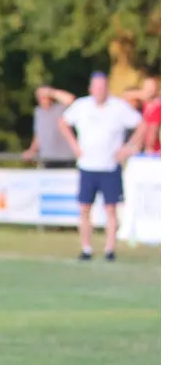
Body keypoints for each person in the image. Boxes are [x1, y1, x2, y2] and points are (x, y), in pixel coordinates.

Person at [58, 72, 143, 261]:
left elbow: (141, 124)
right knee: (85, 208)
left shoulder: (118, 107)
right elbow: (63, 123)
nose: (100, 91)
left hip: (110, 167)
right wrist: (74, 145)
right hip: (87, 166)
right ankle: (86, 248)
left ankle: (110, 249)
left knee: (111, 209)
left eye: (103, 87)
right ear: (91, 89)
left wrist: (129, 147)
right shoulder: (81, 106)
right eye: (96, 87)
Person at [22, 85, 78, 168]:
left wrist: (51, 92)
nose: (42, 99)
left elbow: (71, 100)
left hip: (65, 158)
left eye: (44, 96)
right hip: (46, 159)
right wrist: (32, 150)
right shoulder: (38, 112)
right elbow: (38, 135)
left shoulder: (60, 109)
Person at [138, 76, 161, 154]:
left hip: (155, 151)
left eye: (151, 87)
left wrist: (148, 151)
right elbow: (126, 95)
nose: (149, 90)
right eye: (147, 87)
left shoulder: (157, 107)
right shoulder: (146, 104)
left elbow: (152, 133)